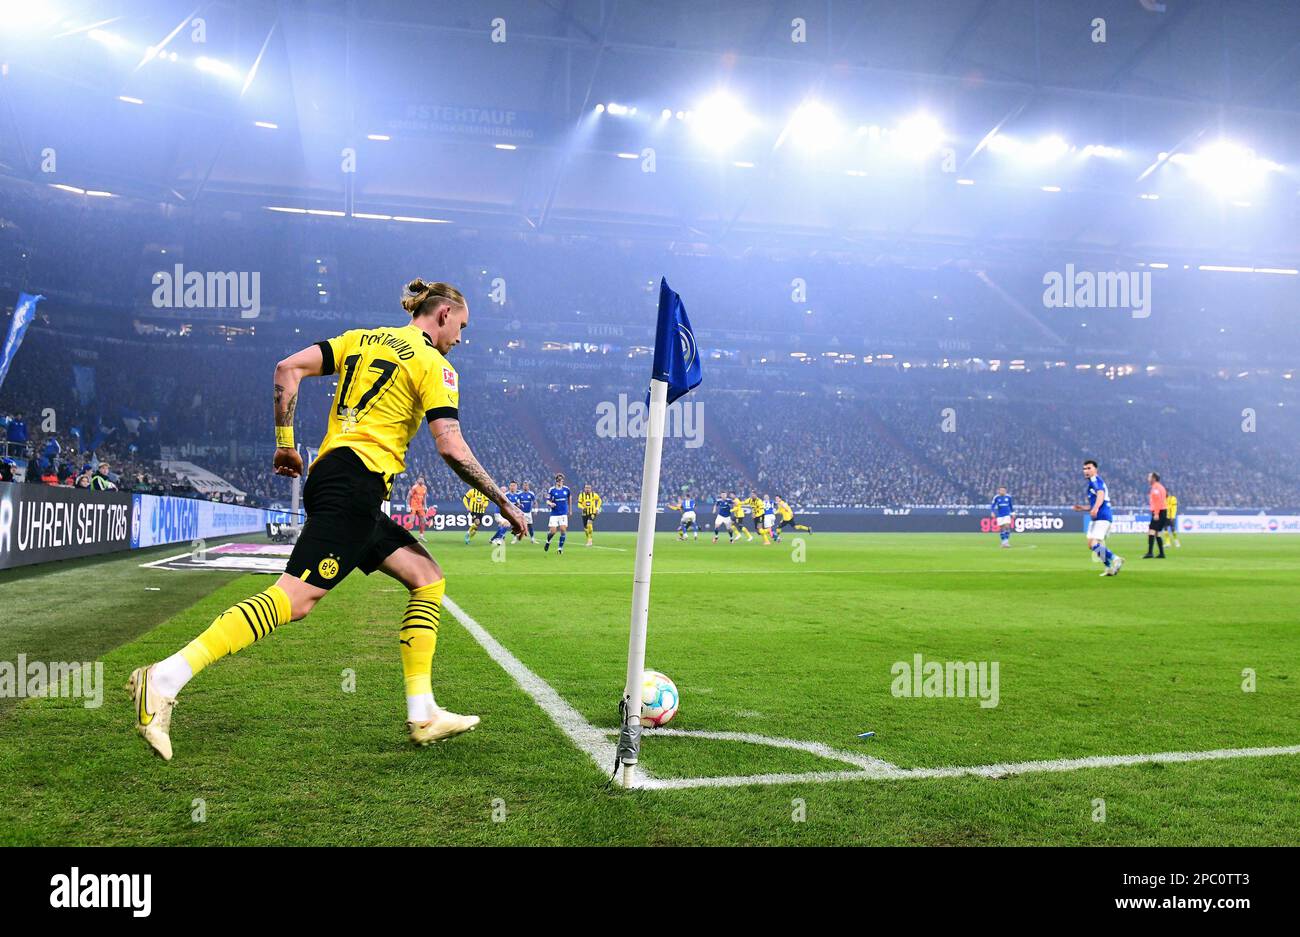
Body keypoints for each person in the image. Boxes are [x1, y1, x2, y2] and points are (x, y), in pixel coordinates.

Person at [130, 278, 526, 761]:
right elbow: (450, 444)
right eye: (461, 327)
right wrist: (502, 500)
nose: (461, 339)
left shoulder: (361, 339)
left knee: (426, 578)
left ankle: (424, 712)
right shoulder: (434, 365)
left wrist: (284, 441)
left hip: (334, 477)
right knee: (294, 600)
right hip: (358, 484)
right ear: (443, 315)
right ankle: (165, 677)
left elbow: (287, 368)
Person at [1072, 459, 1123, 577]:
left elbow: (1101, 494)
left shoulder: (1095, 480)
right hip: (1099, 517)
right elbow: (1098, 499)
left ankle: (1115, 559)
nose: (1086, 471)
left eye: (1089, 468)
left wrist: (1095, 509)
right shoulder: (1092, 482)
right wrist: (1084, 508)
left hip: (1102, 516)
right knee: (1091, 544)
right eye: (1084, 468)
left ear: (1096, 469)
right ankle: (1109, 568)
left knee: (1094, 543)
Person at [544, 472, 571, 554]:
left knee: (563, 530)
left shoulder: (566, 489)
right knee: (553, 531)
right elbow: (547, 501)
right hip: (555, 514)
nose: (560, 482)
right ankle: (548, 541)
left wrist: (570, 510)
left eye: (561, 480)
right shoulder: (552, 490)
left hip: (563, 513)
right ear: (556, 481)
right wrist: (550, 504)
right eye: (558, 480)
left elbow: (569, 499)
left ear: (563, 481)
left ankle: (560, 548)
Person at [1143, 471, 1168, 559]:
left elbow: (1158, 501)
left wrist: (1156, 513)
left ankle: (1150, 553)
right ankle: (1161, 553)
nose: (1148, 479)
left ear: (1154, 478)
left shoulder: (1156, 488)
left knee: (1151, 530)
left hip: (1159, 511)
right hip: (1162, 510)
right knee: (1157, 533)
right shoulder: (1160, 487)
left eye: (1149, 477)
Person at [407, 475, 429, 541]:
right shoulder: (414, 487)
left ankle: (421, 536)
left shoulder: (425, 488)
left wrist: (425, 506)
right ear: (417, 480)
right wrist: (408, 506)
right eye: (420, 479)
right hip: (413, 506)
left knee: (423, 521)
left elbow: (424, 498)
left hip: (420, 507)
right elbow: (408, 496)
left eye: (422, 480)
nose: (421, 481)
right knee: (411, 521)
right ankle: (403, 534)